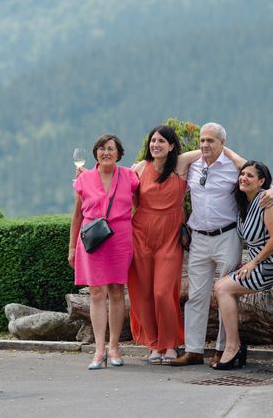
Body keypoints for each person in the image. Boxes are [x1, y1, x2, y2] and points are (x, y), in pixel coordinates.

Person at [170, 122, 273, 367]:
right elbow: (173, 162)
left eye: (211, 141)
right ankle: (194, 350)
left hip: (227, 236)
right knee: (196, 295)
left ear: (223, 144)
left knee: (224, 293)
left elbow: (267, 183)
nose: (205, 144)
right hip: (198, 237)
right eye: (202, 140)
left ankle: (222, 348)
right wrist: (205, 152)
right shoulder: (192, 167)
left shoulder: (234, 168)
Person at [212, 161, 273, 369]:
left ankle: (233, 347)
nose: (244, 178)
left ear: (261, 182)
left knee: (222, 288)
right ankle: (234, 346)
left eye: (250, 176)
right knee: (225, 287)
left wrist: (253, 263)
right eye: (242, 174)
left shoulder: (266, 201)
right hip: (261, 262)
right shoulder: (245, 203)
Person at [128, 125, 201, 365]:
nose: (155, 144)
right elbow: (117, 190)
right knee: (144, 293)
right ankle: (153, 344)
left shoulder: (181, 164)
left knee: (162, 292)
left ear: (171, 146)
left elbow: (212, 148)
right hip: (141, 235)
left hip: (170, 237)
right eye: (153, 140)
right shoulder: (139, 168)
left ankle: (170, 343)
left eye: (161, 141)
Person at [68, 134, 139, 370]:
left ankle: (114, 347)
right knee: (96, 292)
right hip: (92, 239)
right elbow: (77, 215)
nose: (105, 152)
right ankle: (99, 350)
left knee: (117, 291)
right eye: (101, 148)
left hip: (119, 238)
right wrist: (71, 247)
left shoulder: (130, 176)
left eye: (110, 148)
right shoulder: (84, 179)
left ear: (119, 153)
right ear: (95, 153)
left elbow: (139, 206)